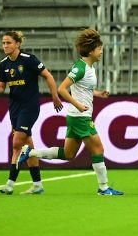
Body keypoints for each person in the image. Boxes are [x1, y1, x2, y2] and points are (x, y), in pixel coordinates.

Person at [18, 29, 123, 195]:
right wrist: (78, 104)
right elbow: (62, 89)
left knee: (68, 154)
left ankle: (30, 152)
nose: (101, 51)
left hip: (76, 116)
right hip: (80, 116)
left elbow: (83, 88)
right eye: (99, 48)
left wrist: (98, 93)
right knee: (98, 150)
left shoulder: (89, 67)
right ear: (91, 51)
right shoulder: (81, 68)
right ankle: (103, 188)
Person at [0, 31, 63, 195]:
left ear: (17, 44)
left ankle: (10, 184)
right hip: (14, 108)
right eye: (3, 43)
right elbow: (3, 88)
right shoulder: (4, 64)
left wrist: (55, 96)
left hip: (29, 107)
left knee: (16, 143)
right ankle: (37, 184)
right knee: (27, 146)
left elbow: (48, 76)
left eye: (8, 42)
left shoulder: (29, 60)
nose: (5, 46)